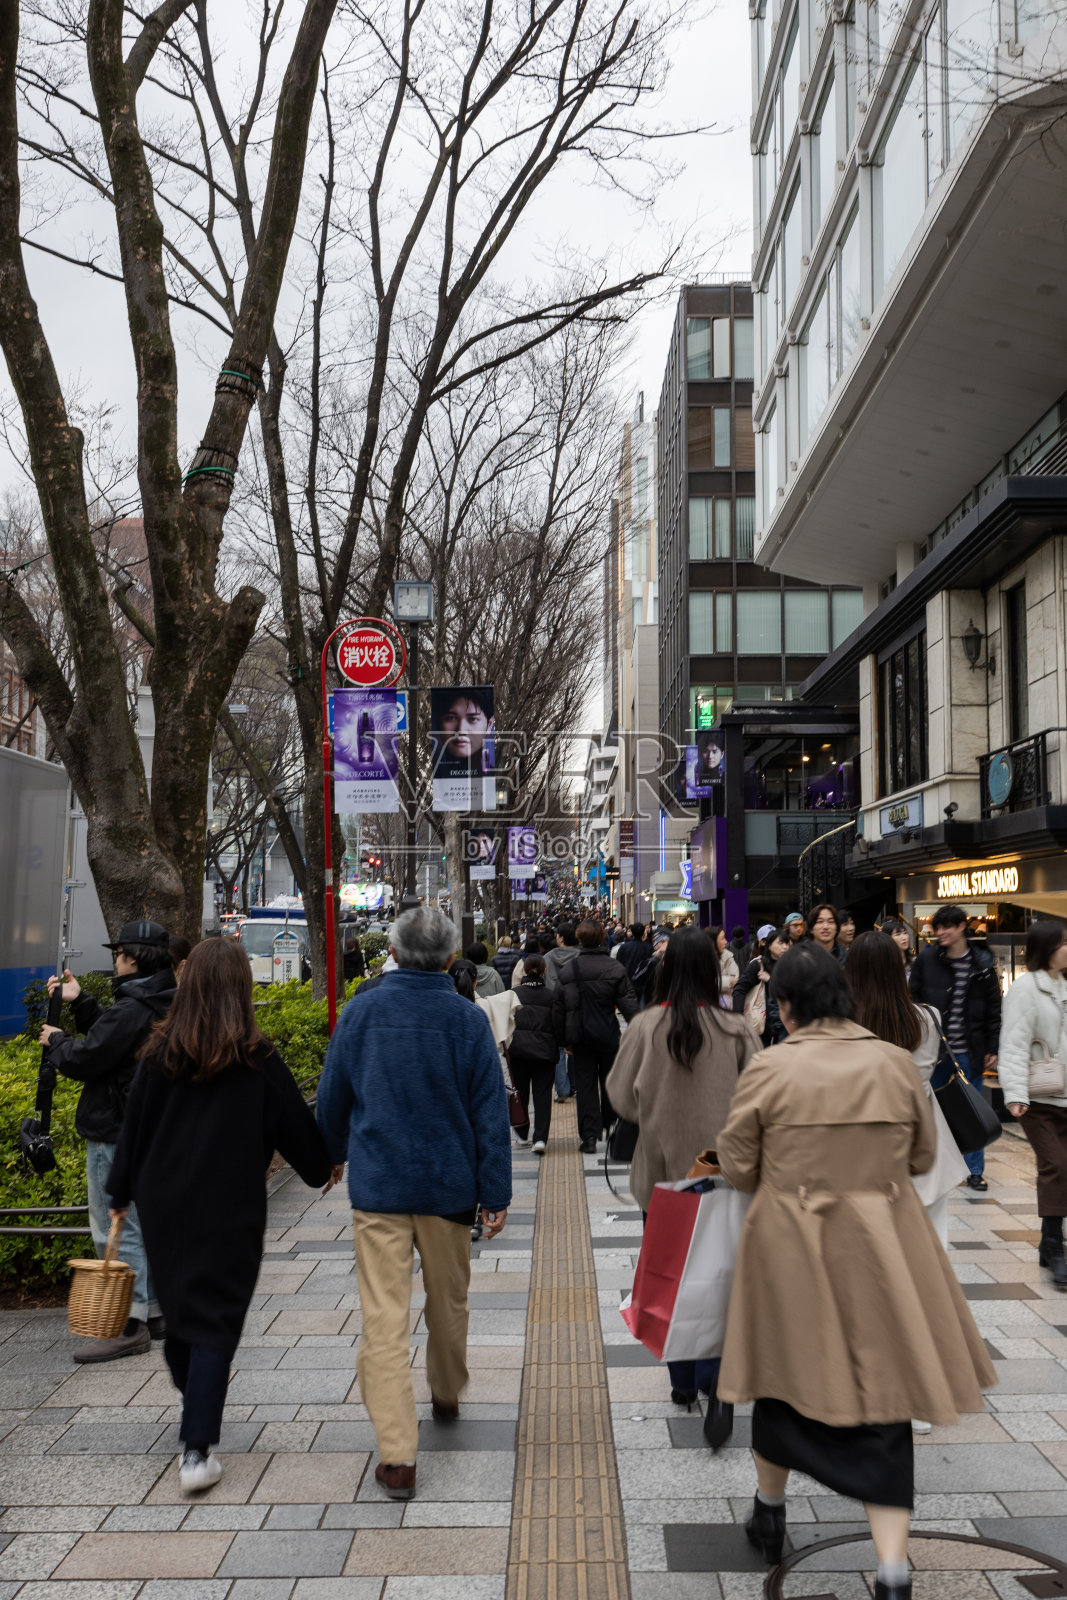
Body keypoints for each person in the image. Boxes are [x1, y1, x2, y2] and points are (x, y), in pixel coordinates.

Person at [715, 943, 995, 1599]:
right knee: (884, 1398)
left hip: (789, 1244)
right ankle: (892, 1572)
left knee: (778, 1379)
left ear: (784, 1005)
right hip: (881, 1244)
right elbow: (924, 1153)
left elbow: (735, 1163)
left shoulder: (769, 1069)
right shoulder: (895, 1063)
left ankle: (769, 1510)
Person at [106, 939, 333, 1494]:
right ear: (242, 987)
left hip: (164, 1206)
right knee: (215, 1321)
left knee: (185, 1316)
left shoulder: (160, 1055)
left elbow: (132, 1131)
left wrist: (120, 1191)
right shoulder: (256, 1057)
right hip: (230, 1207)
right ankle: (196, 1448)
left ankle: (195, 1402)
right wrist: (321, 1166)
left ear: (190, 984)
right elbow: (294, 1125)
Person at [316, 908, 512, 1502]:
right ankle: (447, 1389)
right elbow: (490, 1115)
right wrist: (495, 1193)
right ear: (453, 959)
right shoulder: (466, 1019)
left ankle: (397, 1456)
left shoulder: (363, 1012)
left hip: (380, 1187)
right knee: (449, 1299)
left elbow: (332, 1096)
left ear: (394, 955)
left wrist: (331, 1154)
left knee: (382, 1316)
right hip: (449, 1187)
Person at [606, 927, 758, 1439]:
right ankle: (718, 1377)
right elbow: (763, 1099)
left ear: (668, 970)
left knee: (669, 1273)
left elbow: (621, 1099)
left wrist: (657, 1113)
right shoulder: (737, 1031)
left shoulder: (647, 1026)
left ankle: (682, 1379)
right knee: (723, 1274)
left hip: (662, 1177)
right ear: (714, 972)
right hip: (725, 1175)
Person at [41, 921, 177, 1362]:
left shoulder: (132, 1007)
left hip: (113, 1129)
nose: (114, 961)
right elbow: (112, 1039)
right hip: (146, 1128)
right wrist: (81, 1002)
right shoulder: (161, 999)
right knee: (140, 1220)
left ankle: (129, 1321)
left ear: (132, 958)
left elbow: (90, 1056)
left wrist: (57, 1041)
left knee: (115, 1224)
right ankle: (154, 1311)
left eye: (118, 954)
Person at [846, 931, 967, 1249]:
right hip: (925, 1134)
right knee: (931, 1241)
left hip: (863, 1136)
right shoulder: (928, 1018)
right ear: (898, 968)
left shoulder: (843, 1023)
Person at [909, 905, 1001, 1192]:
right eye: (938, 928)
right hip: (934, 1051)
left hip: (970, 1050)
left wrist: (992, 1046)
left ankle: (974, 1170)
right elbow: (913, 1000)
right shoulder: (927, 960)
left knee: (971, 1110)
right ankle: (939, 1164)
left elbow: (993, 1009)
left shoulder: (982, 963)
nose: (941, 933)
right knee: (935, 1108)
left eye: (947, 927)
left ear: (962, 927)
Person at [998, 920, 1067, 1291]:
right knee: (1055, 1165)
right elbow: (1013, 1042)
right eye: (1064, 943)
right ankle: (1056, 1249)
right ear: (1047, 947)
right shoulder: (1026, 988)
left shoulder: (1064, 985)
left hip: (1065, 1094)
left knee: (1063, 1169)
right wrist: (1014, 1094)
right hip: (1038, 1097)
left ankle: (1049, 1242)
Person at [553, 920, 638, 1153]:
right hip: (609, 1034)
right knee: (610, 1081)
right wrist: (640, 1029)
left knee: (586, 1086)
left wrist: (563, 1040)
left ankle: (589, 1136)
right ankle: (610, 1125)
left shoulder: (569, 970)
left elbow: (558, 1008)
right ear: (602, 939)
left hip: (580, 1037)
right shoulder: (614, 968)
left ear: (579, 939)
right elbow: (629, 1005)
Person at [509, 954, 562, 1154]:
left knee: (520, 1093)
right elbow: (558, 1024)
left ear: (523, 971)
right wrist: (563, 1043)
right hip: (544, 1052)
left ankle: (522, 1134)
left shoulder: (512, 994)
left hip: (518, 1051)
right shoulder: (551, 995)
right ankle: (540, 1138)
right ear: (544, 970)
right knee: (542, 1095)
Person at [732, 926, 789, 1047]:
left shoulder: (790, 966)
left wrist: (770, 980)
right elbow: (739, 989)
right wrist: (738, 1018)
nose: (785, 947)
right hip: (762, 1024)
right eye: (780, 943)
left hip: (785, 1024)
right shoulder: (758, 965)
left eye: (786, 943)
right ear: (768, 945)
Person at [543, 922, 580, 1101]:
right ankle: (574, 1084)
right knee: (576, 1047)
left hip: (554, 1007)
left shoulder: (548, 957)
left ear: (562, 938)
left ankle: (562, 1089)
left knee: (557, 1049)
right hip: (577, 1008)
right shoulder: (581, 957)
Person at [708, 925, 739, 1001]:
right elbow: (703, 982)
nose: (725, 942)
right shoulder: (700, 958)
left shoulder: (728, 956)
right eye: (722, 939)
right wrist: (728, 982)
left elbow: (735, 980)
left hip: (727, 1003)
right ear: (713, 941)